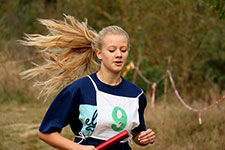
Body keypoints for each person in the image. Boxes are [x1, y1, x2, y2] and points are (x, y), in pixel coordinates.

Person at [20, 14, 155, 150]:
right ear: (99, 53)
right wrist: (77, 148)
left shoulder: (136, 95)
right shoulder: (80, 89)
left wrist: (142, 138)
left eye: (123, 50)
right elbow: (45, 133)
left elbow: (135, 133)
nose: (118, 55)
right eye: (112, 50)